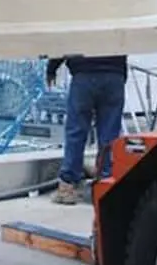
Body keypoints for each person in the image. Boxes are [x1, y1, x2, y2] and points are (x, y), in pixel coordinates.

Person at [45, 53, 127, 206]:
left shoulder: (78, 27)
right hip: (114, 76)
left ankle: (67, 186)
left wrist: (51, 69)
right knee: (110, 134)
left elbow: (64, 42)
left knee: (76, 131)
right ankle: (106, 184)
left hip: (84, 76)